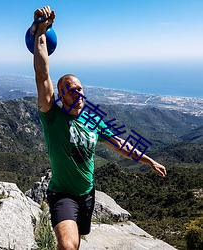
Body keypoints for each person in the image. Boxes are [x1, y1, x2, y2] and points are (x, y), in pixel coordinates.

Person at [32, 6, 167, 250]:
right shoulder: (52, 116)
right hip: (62, 194)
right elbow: (42, 74)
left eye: (80, 88)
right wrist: (40, 31)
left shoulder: (94, 120)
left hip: (87, 194)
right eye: (71, 88)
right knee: (67, 246)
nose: (78, 91)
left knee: (78, 242)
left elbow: (121, 145)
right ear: (61, 94)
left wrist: (149, 161)